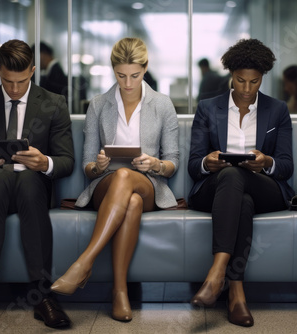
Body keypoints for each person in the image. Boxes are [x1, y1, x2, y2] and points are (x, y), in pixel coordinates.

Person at [50, 37, 179, 322]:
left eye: (134, 75)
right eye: (121, 75)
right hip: (105, 185)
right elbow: (86, 166)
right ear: (113, 70)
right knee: (128, 197)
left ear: (145, 69)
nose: (128, 83)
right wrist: (98, 165)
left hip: (149, 184)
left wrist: (156, 163)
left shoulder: (162, 104)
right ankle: (119, 291)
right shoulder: (98, 104)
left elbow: (173, 162)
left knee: (130, 184)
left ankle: (84, 263)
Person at [0, 39, 74, 329]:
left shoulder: (53, 103)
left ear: (33, 70)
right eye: (8, 81)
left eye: (22, 81)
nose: (15, 89)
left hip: (31, 187)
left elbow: (66, 161)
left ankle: (43, 296)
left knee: (29, 181)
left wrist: (43, 162)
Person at [188, 38, 294, 327]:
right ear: (230, 76)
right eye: (240, 81)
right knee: (236, 186)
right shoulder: (208, 109)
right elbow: (193, 166)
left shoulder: (277, 110)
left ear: (263, 78)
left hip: (265, 189)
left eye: (254, 82)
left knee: (241, 181)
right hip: (217, 189)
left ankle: (216, 273)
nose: (246, 89)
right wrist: (207, 163)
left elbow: (286, 167)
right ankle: (236, 293)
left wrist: (266, 162)